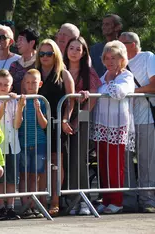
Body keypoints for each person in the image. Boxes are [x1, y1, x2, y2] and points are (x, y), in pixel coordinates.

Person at [91, 40, 135, 214]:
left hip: (117, 126)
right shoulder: (104, 76)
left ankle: (116, 201)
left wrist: (102, 89)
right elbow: (99, 90)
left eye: (114, 58)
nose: (110, 62)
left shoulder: (126, 75)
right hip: (102, 124)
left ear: (122, 59)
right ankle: (106, 198)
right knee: (102, 164)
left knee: (115, 165)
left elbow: (119, 92)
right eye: (107, 58)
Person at [63, 37, 101, 215]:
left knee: (79, 160)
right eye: (71, 48)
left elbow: (92, 100)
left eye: (78, 49)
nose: (74, 52)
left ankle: (84, 200)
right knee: (65, 161)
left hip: (82, 118)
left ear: (84, 52)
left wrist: (77, 121)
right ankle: (70, 200)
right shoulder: (60, 69)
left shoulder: (89, 73)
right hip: (60, 117)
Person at [37, 39, 75, 216]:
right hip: (36, 124)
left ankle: (55, 200)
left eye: (48, 53)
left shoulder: (64, 74)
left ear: (56, 55)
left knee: (56, 164)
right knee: (38, 163)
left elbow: (70, 101)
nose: (44, 57)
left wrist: (66, 119)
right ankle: (38, 200)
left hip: (57, 123)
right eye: (42, 53)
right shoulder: (34, 73)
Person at [119, 32, 155, 213]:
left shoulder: (147, 57)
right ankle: (129, 200)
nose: (118, 47)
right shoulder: (119, 63)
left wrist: (132, 91)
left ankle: (148, 200)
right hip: (125, 119)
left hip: (145, 116)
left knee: (145, 160)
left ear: (132, 44)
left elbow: (154, 85)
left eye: (121, 43)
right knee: (124, 161)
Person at [0, 70, 23, 220]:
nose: (3, 87)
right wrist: (4, 102)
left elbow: (17, 124)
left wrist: (20, 106)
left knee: (11, 178)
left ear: (11, 86)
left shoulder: (14, 101)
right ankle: (1, 206)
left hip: (12, 142)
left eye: (6, 85)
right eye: (0, 84)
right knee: (0, 178)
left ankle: (10, 206)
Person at [18, 69, 48, 219]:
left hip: (39, 143)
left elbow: (44, 125)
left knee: (35, 175)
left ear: (40, 84)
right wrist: (20, 107)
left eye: (34, 83)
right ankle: (24, 203)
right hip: (23, 143)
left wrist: (38, 110)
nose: (30, 86)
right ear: (24, 83)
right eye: (27, 82)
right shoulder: (20, 100)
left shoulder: (42, 101)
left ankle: (33, 203)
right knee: (23, 175)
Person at [10, 27, 39, 94]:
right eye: (18, 40)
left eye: (21, 40)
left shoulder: (40, 63)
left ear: (31, 43)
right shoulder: (14, 65)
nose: (17, 43)